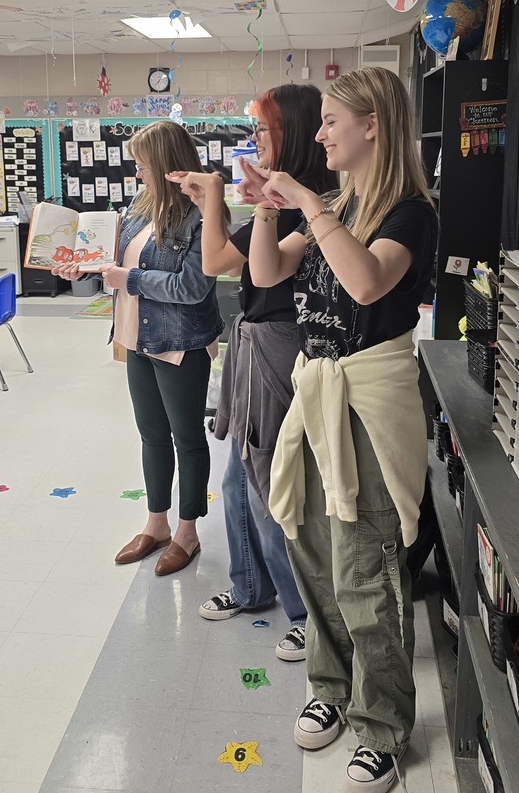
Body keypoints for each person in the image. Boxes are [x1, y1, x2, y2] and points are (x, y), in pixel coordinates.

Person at [241, 67, 437, 792]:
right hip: (317, 394)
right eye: (319, 121)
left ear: (373, 126)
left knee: (368, 572)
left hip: (370, 406)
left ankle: (381, 725)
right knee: (315, 555)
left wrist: (305, 204)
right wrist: (268, 207)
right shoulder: (334, 205)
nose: (318, 134)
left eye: (330, 120)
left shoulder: (410, 213)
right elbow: (265, 274)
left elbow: (364, 284)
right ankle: (330, 687)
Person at [168, 84, 336, 662]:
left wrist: (216, 197)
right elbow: (227, 261)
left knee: (272, 482)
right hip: (256, 341)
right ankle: (251, 587)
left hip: (282, 347)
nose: (256, 142)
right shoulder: (285, 200)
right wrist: (216, 197)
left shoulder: (313, 202)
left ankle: (305, 614)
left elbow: (223, 265)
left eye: (264, 131)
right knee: (241, 472)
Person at [54, 120, 223, 576]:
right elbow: (120, 263)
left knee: (187, 438)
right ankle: (157, 523)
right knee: (151, 434)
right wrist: (86, 268)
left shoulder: (201, 213)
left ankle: (187, 532)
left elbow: (191, 286)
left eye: (142, 163)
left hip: (180, 341)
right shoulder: (140, 205)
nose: (136, 172)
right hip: (135, 337)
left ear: (167, 164)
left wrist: (127, 279)